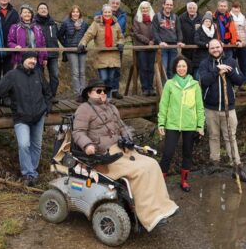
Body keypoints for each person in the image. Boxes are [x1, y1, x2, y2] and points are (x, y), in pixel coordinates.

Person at [72, 78, 178, 231]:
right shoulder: (84, 109)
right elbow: (78, 132)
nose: (103, 94)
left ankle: (163, 208)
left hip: (122, 149)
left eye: (105, 91)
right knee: (139, 172)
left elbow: (123, 127)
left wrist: (127, 139)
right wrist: (87, 145)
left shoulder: (111, 108)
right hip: (104, 155)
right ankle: (149, 217)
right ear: (89, 93)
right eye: (99, 91)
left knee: (153, 164)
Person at [0, 51, 52, 185]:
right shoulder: (12, 76)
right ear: (23, 59)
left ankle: (32, 173)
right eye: (30, 58)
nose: (33, 61)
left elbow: (48, 92)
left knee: (36, 146)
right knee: (24, 144)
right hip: (21, 116)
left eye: (35, 59)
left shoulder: (38, 73)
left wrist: (47, 108)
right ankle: (28, 173)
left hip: (38, 116)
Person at [198, 38, 246, 182]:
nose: (215, 50)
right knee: (213, 136)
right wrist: (217, 70)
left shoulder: (232, 61)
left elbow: (241, 80)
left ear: (222, 47)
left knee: (230, 137)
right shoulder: (205, 64)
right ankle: (214, 163)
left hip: (229, 108)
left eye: (217, 47)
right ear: (209, 49)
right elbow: (203, 81)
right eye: (212, 48)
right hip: (211, 108)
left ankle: (237, 167)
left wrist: (229, 71)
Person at [157, 56, 205, 192]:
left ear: (188, 68)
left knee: (187, 153)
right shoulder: (170, 84)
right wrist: (161, 123)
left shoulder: (194, 84)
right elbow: (164, 105)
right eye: (179, 66)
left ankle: (184, 181)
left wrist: (200, 126)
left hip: (190, 125)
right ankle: (160, 183)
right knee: (167, 153)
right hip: (172, 124)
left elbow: (199, 107)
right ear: (175, 68)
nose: (181, 69)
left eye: (184, 66)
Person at [78, 4, 125, 99]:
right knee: (103, 79)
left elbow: (121, 36)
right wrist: (83, 43)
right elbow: (88, 34)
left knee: (111, 79)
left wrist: (120, 43)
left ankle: (109, 98)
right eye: (105, 12)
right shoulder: (96, 23)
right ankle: (102, 98)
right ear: (102, 13)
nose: (107, 14)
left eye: (109, 12)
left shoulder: (116, 24)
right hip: (101, 56)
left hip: (113, 55)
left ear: (112, 13)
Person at [58, 5, 90, 98]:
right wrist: (66, 45)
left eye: (77, 12)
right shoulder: (65, 23)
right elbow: (59, 35)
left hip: (82, 50)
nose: (75, 13)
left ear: (80, 13)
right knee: (75, 73)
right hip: (71, 51)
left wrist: (85, 44)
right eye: (73, 12)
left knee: (82, 72)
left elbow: (88, 36)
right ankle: (77, 93)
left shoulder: (84, 24)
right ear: (71, 13)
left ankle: (83, 92)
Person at [35, 2, 61, 99]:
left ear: (48, 10)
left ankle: (51, 95)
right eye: (41, 8)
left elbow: (59, 37)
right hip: (40, 54)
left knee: (54, 76)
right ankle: (42, 95)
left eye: (45, 8)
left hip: (53, 54)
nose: (43, 9)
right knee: (40, 76)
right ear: (37, 11)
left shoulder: (53, 23)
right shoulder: (35, 23)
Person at [153, 0, 183, 79]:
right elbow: (155, 31)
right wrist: (159, 42)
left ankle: (172, 89)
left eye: (171, 5)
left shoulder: (175, 17)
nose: (169, 6)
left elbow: (179, 30)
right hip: (162, 47)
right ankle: (163, 89)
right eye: (167, 4)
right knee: (163, 68)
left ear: (172, 6)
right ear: (163, 5)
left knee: (172, 68)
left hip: (173, 46)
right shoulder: (157, 16)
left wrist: (179, 41)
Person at [132, 1, 157, 96]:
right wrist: (148, 41)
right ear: (140, 9)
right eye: (143, 8)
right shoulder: (137, 18)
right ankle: (145, 89)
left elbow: (157, 30)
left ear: (149, 8)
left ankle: (151, 88)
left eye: (147, 8)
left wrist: (154, 40)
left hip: (152, 47)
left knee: (151, 69)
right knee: (143, 68)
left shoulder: (154, 18)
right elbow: (136, 33)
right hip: (141, 47)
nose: (145, 10)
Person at [229, 2, 246, 85]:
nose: (236, 9)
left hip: (243, 43)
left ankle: (243, 81)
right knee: (232, 63)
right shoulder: (229, 16)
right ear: (232, 8)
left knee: (244, 63)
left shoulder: (243, 17)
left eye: (238, 8)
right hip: (233, 44)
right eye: (234, 7)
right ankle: (233, 82)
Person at [178, 2, 202, 74]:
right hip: (186, 48)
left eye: (194, 8)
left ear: (196, 9)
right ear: (187, 9)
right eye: (190, 8)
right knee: (187, 68)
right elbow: (179, 31)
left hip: (198, 48)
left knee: (197, 70)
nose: (192, 10)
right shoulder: (181, 18)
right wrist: (180, 41)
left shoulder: (201, 18)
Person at [193, 11, 217, 80]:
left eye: (209, 21)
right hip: (200, 54)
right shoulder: (199, 29)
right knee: (199, 71)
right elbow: (196, 40)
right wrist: (205, 44)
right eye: (206, 21)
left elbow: (215, 40)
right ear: (203, 21)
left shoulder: (214, 30)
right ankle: (198, 85)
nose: (208, 23)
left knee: (209, 70)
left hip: (210, 54)